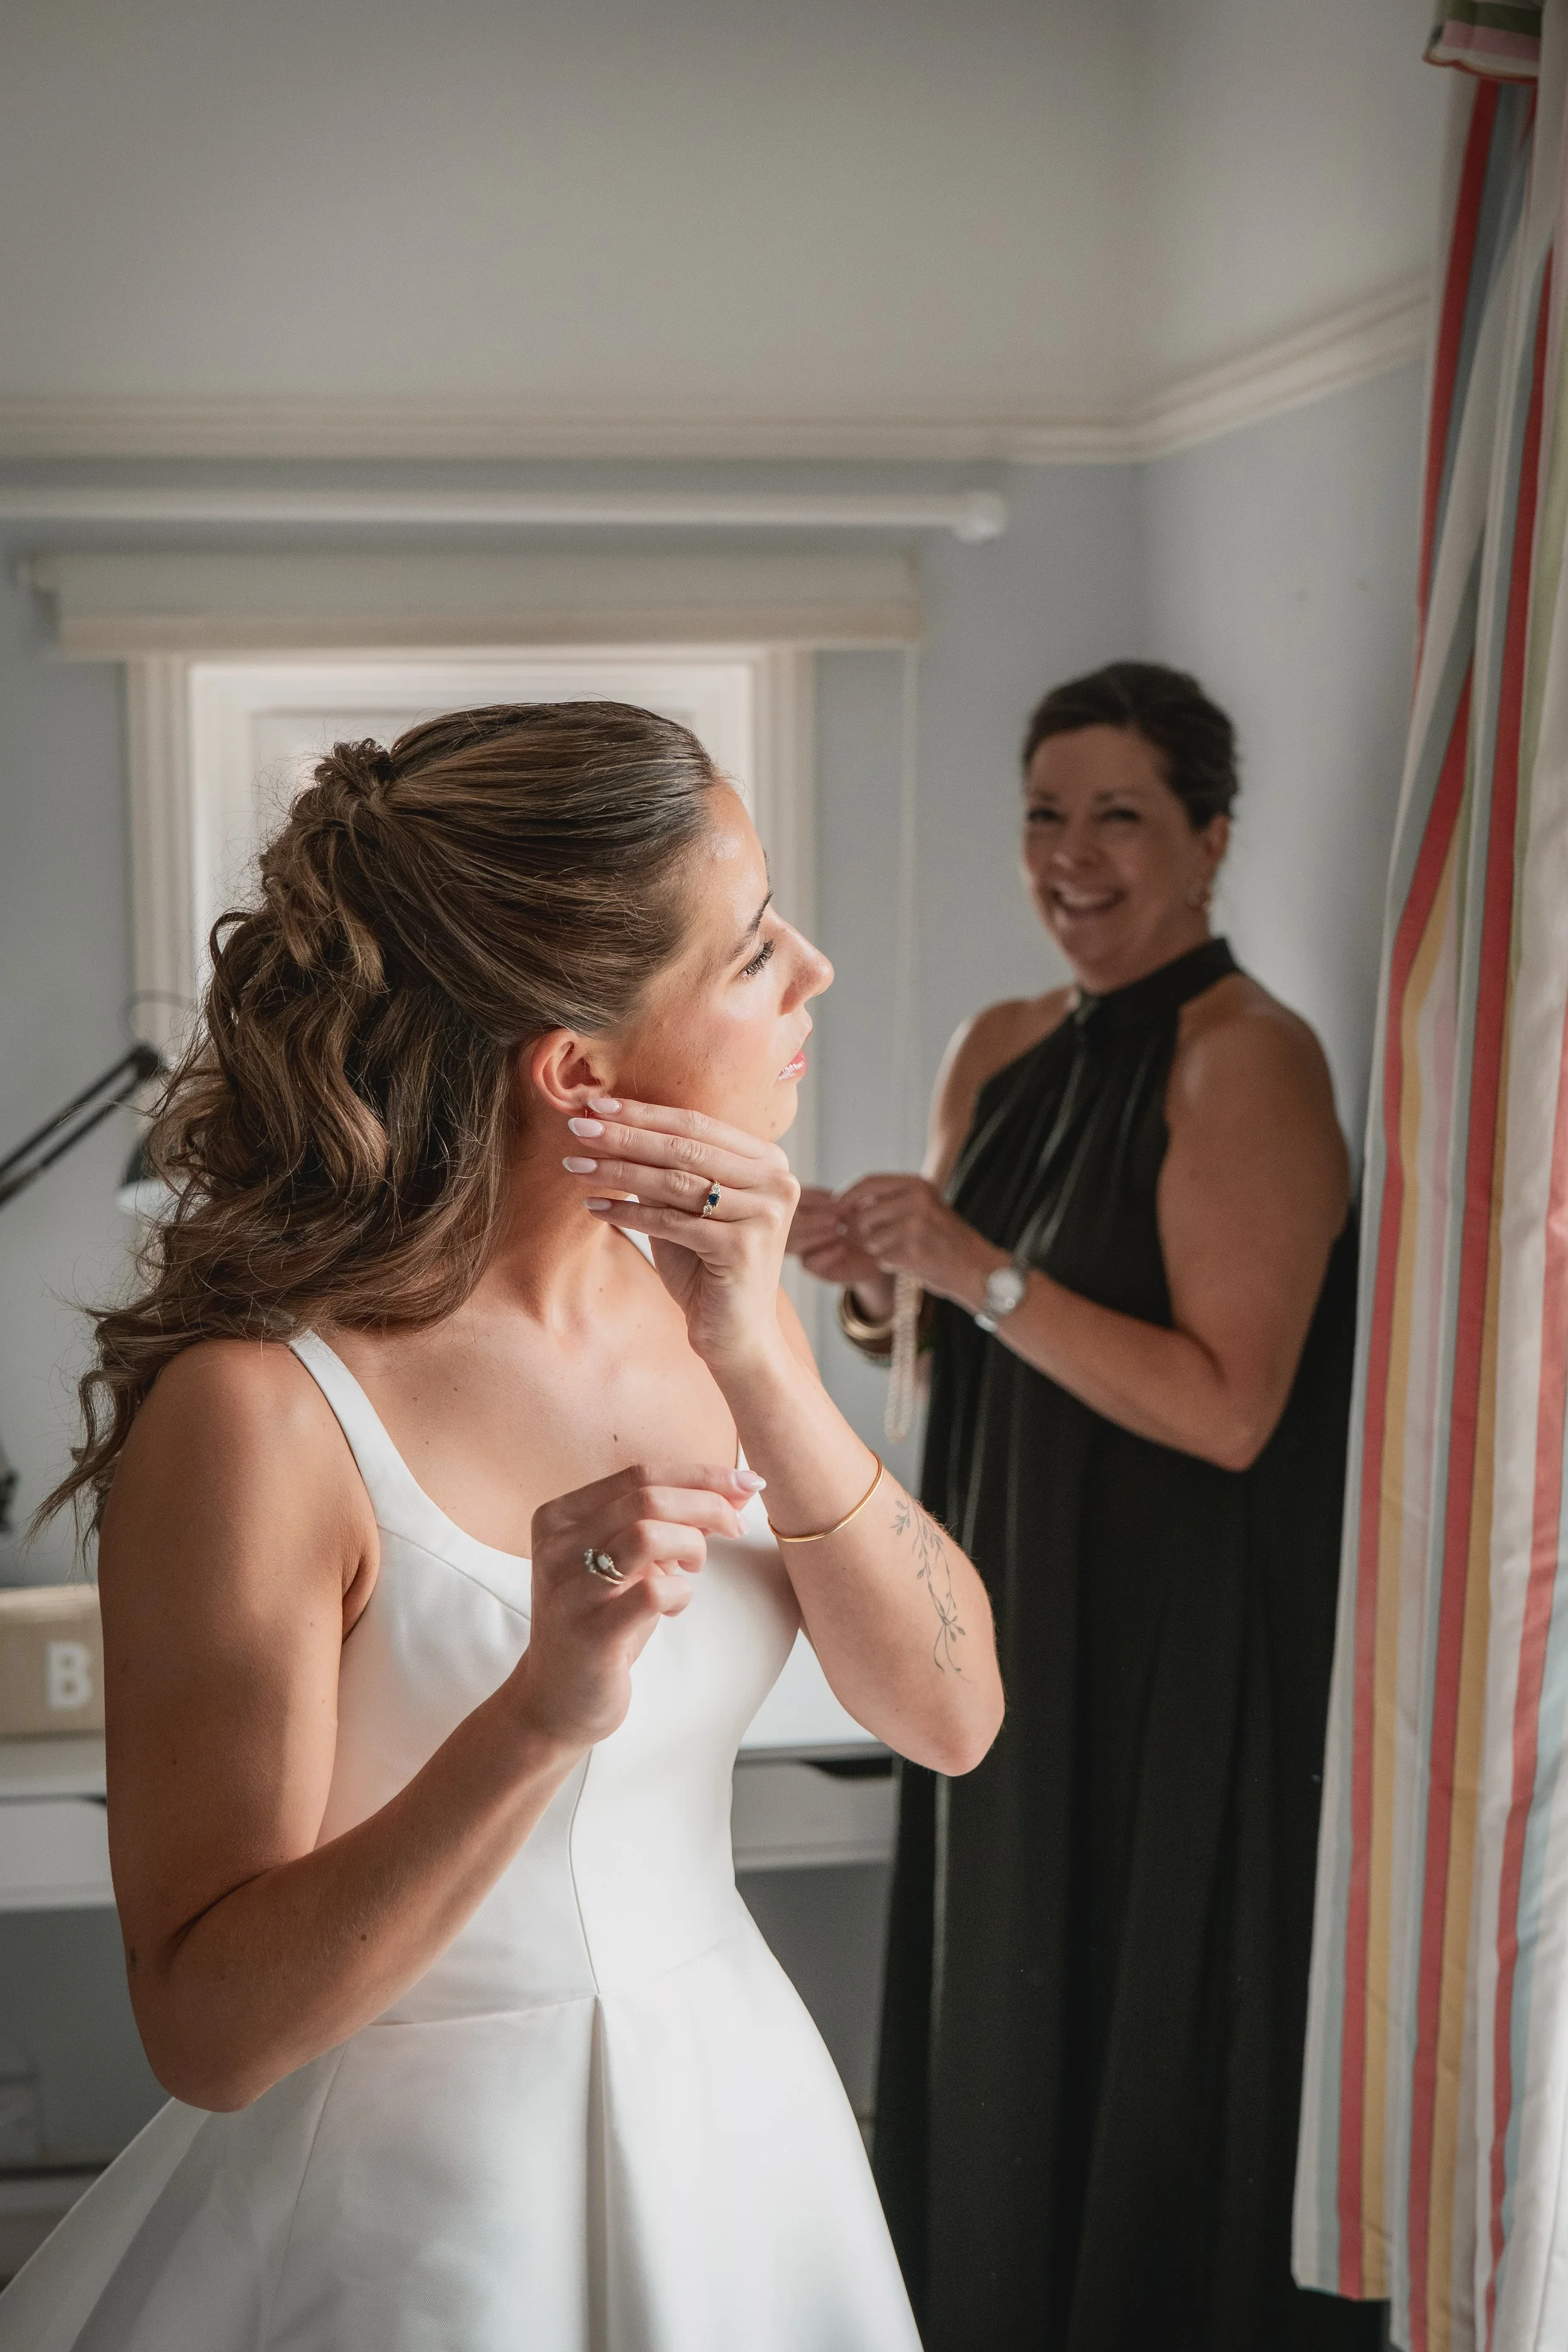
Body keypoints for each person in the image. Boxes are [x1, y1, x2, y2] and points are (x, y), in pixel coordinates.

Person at [0, 702, 1004, 2352]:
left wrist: (756, 1349)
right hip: (411, 2231)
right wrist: (534, 1712)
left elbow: (953, 1716)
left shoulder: (706, 1318)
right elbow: (212, 2034)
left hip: (734, 2144)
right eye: (751, 950)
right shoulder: (259, 1416)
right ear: (577, 1072)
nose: (810, 969)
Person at [790, 662, 1380, 2351]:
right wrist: (874, 1277)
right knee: (1003, 2015)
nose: (1070, 853)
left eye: (1117, 812)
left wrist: (971, 1267)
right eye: (1044, 814)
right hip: (1001, 1606)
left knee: (1151, 2030)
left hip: (1169, 1639)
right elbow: (961, 1334)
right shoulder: (1001, 1044)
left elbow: (1230, 1406)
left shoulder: (1248, 1059)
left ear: (1207, 837)